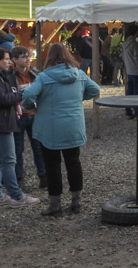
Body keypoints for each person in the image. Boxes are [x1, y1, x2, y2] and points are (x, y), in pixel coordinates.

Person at [22, 43, 100, 216]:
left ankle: (55, 204)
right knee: (73, 162)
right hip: (73, 125)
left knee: (52, 165)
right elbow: (95, 89)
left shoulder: (44, 77)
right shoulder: (79, 74)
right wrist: (78, 98)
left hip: (49, 127)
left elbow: (28, 95)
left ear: (50, 57)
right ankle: (76, 202)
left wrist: (31, 106)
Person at [0, 48, 39, 207]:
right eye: (6, 59)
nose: (9, 62)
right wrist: (22, 94)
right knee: (9, 160)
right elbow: (1, 99)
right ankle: (17, 196)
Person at [9, 46, 47, 188]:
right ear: (14, 59)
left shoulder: (35, 73)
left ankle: (43, 176)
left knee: (38, 146)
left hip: (35, 114)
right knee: (18, 148)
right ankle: (18, 178)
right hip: (18, 115)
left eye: (29, 56)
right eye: (24, 57)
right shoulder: (9, 75)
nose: (28, 59)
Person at [122, 24, 138, 120]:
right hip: (136, 72)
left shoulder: (124, 44)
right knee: (137, 94)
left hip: (129, 70)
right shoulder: (135, 44)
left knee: (129, 93)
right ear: (136, 32)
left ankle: (128, 112)